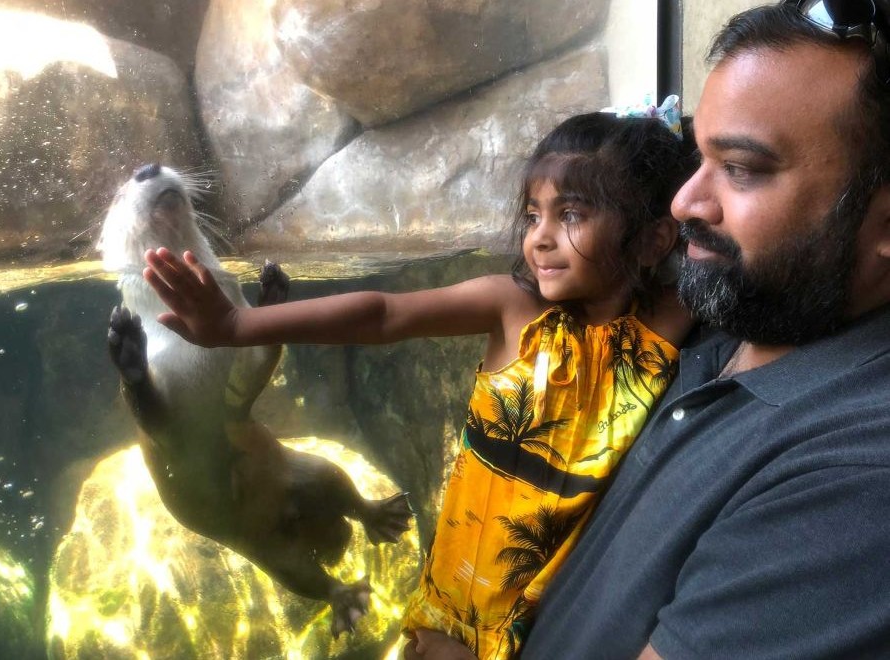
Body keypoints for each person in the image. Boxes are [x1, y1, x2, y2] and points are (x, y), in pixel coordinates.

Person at [140, 110, 697, 658]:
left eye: (570, 215)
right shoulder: (514, 310)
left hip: (556, 624)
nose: (540, 238)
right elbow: (383, 315)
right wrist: (238, 326)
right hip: (456, 606)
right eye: (533, 216)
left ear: (652, 240)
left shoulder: (665, 322)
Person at [519, 2, 890, 658]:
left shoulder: (859, 473)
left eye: (742, 168)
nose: (685, 202)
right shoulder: (733, 322)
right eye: (700, 156)